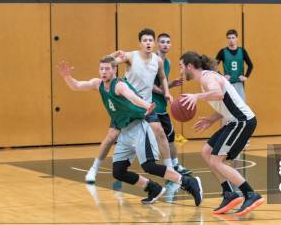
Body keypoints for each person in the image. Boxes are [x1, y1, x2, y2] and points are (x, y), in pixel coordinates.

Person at [57, 57, 202, 205]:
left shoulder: (119, 85)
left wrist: (146, 105)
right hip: (125, 130)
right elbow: (77, 86)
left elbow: (131, 97)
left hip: (140, 126)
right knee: (118, 171)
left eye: (107, 69)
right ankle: (153, 188)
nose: (104, 72)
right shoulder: (98, 84)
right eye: (101, 69)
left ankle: (189, 182)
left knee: (149, 166)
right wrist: (67, 77)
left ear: (114, 70)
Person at [179, 51, 263, 216]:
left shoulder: (206, 77)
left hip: (242, 121)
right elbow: (225, 101)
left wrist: (197, 96)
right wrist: (211, 119)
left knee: (217, 161)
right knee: (207, 151)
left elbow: (218, 94)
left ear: (189, 66)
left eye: (181, 67)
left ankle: (250, 194)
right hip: (234, 120)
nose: (180, 71)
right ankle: (229, 194)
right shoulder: (206, 78)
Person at [109, 29, 177, 176]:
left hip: (146, 105)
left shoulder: (157, 60)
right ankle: (110, 164)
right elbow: (109, 64)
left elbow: (163, 77)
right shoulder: (131, 56)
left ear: (154, 43)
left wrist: (167, 92)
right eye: (145, 40)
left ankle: (169, 167)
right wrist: (113, 56)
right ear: (140, 43)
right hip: (129, 105)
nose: (148, 43)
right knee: (114, 135)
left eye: (150, 40)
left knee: (159, 131)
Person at [153, 33, 191, 176]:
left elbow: (161, 85)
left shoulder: (167, 62)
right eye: (162, 42)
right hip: (149, 104)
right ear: (157, 44)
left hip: (161, 106)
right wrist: (166, 92)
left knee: (169, 135)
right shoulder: (152, 61)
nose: (165, 44)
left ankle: (174, 166)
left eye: (168, 42)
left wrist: (171, 85)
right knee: (159, 136)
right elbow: (149, 85)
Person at [215, 29, 253, 101]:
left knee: (242, 106)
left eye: (233, 38)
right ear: (227, 39)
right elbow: (212, 66)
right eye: (229, 38)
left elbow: (250, 65)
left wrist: (246, 76)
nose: (231, 40)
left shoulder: (242, 51)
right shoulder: (223, 52)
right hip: (227, 84)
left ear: (237, 39)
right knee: (228, 108)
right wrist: (222, 77)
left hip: (238, 83)